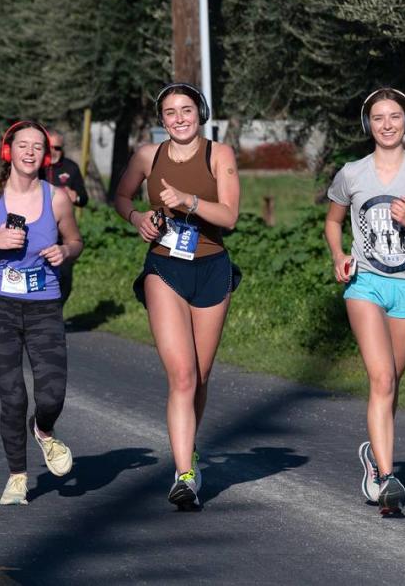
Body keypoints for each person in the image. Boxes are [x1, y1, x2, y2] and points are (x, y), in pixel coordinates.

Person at [324, 88, 405, 514]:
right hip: (366, 284)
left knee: (391, 383)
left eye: (394, 116)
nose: (386, 124)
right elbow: (332, 220)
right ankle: (386, 477)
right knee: (381, 379)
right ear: (368, 124)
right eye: (378, 117)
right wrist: (340, 256)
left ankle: (374, 459)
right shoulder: (352, 173)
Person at [114, 82, 241, 509]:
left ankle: (190, 454)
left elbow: (230, 216)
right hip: (164, 268)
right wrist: (136, 218)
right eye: (170, 112)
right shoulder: (148, 156)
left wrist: (189, 200)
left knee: (199, 379)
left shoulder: (218, 154)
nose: (179, 118)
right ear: (161, 119)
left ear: (199, 112)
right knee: (182, 376)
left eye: (186, 109)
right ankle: (184, 474)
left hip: (211, 268)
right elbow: (121, 195)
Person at [0, 120, 84, 505]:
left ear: (45, 155)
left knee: (52, 396)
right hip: (0, 311)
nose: (30, 152)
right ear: (9, 151)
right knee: (13, 398)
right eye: (23, 145)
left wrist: (65, 252)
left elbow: (75, 240)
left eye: (37, 146)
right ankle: (17, 475)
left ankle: (43, 431)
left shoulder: (57, 198)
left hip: (45, 307)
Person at [45, 129, 88, 305]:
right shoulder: (36, 168)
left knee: (65, 279)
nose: (53, 151)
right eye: (49, 147)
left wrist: (75, 197)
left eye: (57, 147)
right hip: (40, 230)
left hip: (63, 233)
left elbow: (84, 199)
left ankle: (55, 311)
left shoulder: (70, 168)